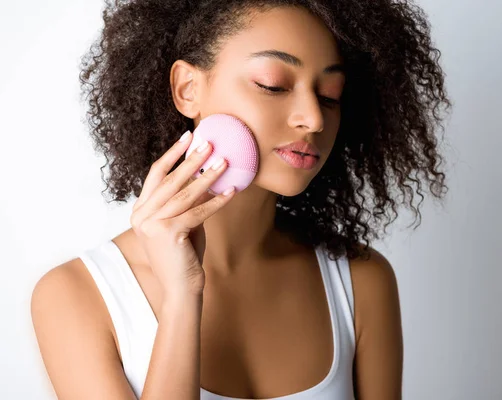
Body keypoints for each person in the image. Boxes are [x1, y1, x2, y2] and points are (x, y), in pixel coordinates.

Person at [31, 0, 450, 399]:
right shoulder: (75, 295)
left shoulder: (361, 282)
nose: (313, 117)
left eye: (329, 95)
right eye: (273, 85)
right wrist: (182, 296)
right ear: (188, 88)